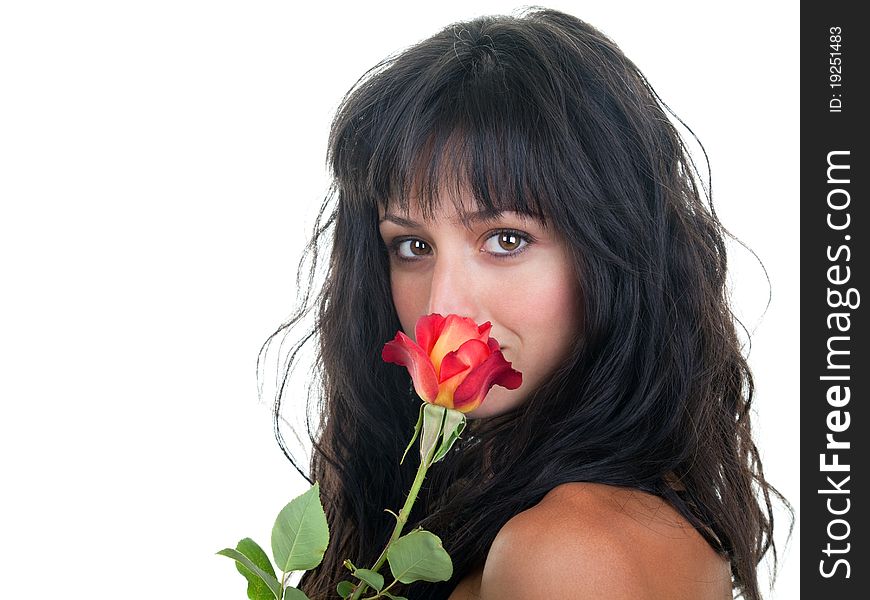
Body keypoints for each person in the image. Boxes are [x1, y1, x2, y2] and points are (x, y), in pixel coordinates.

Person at [261, 7, 791, 599]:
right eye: (412, 245)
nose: (444, 304)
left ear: (612, 252)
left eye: (506, 240)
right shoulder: (556, 506)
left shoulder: (568, 550)